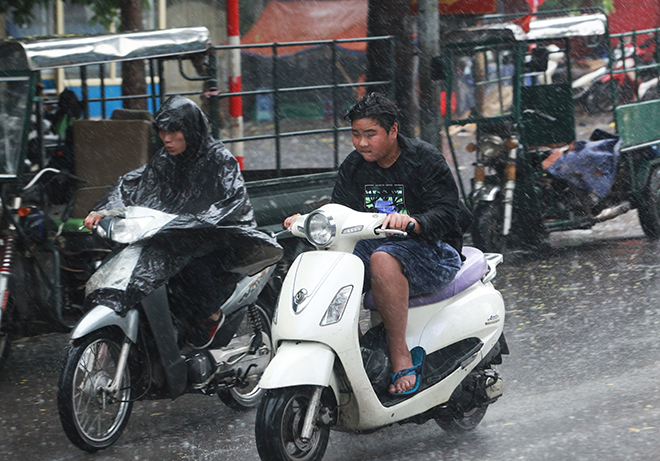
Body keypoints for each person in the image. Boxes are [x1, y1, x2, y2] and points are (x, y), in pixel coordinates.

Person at [284, 93, 469, 394]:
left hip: (431, 249)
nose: (362, 143)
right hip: (374, 245)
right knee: (330, 257)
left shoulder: (424, 159)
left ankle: (400, 356)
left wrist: (413, 221)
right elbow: (339, 212)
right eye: (356, 134)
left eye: (370, 134)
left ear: (393, 131)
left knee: (382, 258)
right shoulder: (354, 166)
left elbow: (448, 213)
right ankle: (354, 347)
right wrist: (308, 220)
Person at [84, 95, 282, 349]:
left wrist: (194, 222)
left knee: (189, 264)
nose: (167, 139)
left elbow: (230, 206)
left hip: (219, 241)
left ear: (190, 130)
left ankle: (211, 316)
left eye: (174, 132)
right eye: (163, 132)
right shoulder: (165, 161)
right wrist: (105, 209)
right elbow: (134, 183)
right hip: (177, 237)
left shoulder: (220, 160)